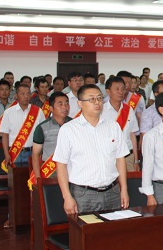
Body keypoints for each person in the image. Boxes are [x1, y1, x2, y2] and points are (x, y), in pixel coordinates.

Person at [55, 84, 130, 214]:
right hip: (84, 194)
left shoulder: (113, 126)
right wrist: (67, 197)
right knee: (85, 227)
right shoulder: (68, 130)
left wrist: (124, 190)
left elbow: (120, 159)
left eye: (99, 98)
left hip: (112, 191)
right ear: (80, 103)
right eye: (91, 99)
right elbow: (61, 165)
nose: (97, 102)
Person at [31, 91, 71, 182]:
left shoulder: (75, 125)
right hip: (51, 171)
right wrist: (38, 178)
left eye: (66, 104)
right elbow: (36, 154)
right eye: (60, 104)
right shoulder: (42, 127)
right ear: (51, 108)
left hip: (72, 169)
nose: (64, 107)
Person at [102, 76, 140, 172]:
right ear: (108, 91)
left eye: (122, 89)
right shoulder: (101, 111)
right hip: (109, 157)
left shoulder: (129, 110)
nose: (120, 92)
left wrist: (136, 160)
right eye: (117, 89)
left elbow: (132, 135)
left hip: (128, 156)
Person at [0, 84, 42, 169]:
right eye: (22, 94)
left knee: (33, 177)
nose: (26, 96)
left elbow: (42, 133)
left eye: (28, 93)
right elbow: (5, 135)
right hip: (15, 152)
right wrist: (6, 154)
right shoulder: (8, 112)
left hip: (33, 153)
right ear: (16, 95)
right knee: (17, 177)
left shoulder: (38, 111)